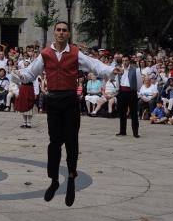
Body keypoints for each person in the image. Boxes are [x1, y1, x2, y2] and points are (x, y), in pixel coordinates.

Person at [14, 21, 120, 207]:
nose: (61, 33)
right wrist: (20, 76)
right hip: (53, 101)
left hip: (70, 100)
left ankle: (71, 176)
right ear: (54, 33)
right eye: (58, 30)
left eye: (64, 30)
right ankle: (54, 180)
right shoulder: (45, 53)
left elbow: (95, 65)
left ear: (68, 34)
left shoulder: (75, 52)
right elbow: (31, 73)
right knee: (54, 141)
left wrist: (111, 70)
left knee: (71, 140)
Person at [115, 55, 143, 138]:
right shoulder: (119, 70)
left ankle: (135, 132)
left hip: (131, 93)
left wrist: (135, 90)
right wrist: (118, 90)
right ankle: (122, 131)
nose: (124, 62)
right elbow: (117, 81)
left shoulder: (136, 70)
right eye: (123, 60)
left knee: (133, 113)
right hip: (122, 92)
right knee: (122, 113)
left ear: (129, 61)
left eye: (126, 60)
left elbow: (139, 83)